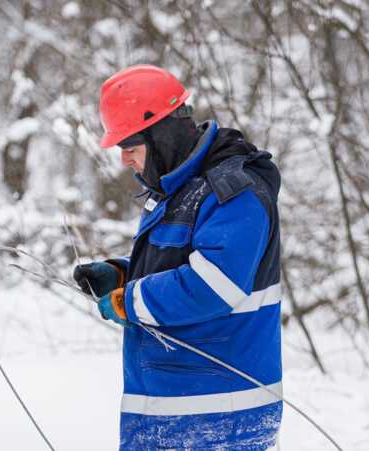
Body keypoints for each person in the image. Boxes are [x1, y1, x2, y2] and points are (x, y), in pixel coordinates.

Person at [73, 64, 283, 450]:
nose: (124, 160)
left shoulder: (234, 193)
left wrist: (130, 300)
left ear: (162, 136)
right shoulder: (181, 190)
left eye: (130, 147)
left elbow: (213, 286)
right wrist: (122, 277)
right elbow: (180, 263)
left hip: (217, 419)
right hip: (178, 410)